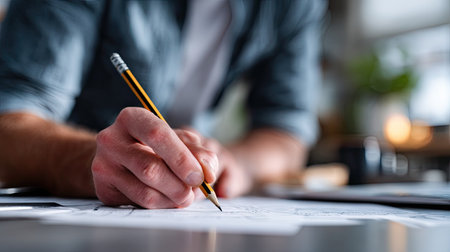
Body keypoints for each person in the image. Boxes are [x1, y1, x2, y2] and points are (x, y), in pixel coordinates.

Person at [0, 0, 325, 209]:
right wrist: (95, 160)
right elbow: (8, 124)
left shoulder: (295, 6)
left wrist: (230, 163)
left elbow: (286, 132)